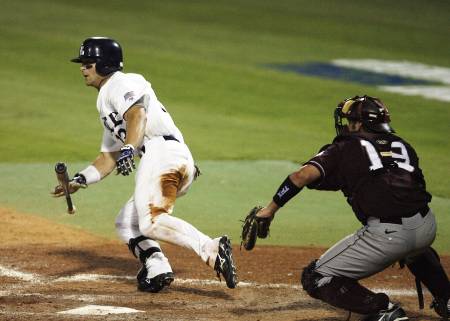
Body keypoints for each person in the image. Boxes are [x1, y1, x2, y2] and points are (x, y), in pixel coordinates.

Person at [52, 36, 238, 292]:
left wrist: (130, 146)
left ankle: (211, 248)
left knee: (151, 221)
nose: (82, 68)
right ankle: (157, 265)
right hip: (171, 158)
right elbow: (108, 157)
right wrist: (79, 180)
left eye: (88, 63)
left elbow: (137, 113)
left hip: (162, 154)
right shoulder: (107, 100)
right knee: (127, 223)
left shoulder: (119, 84)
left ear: (105, 64)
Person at [249, 95, 449, 320]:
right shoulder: (403, 144)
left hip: (388, 237)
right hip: (426, 227)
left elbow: (301, 176)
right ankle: (448, 299)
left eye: (349, 120)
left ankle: (382, 310)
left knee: (315, 276)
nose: (346, 125)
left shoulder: (346, 147)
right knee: (415, 250)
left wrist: (270, 209)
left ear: (358, 124)